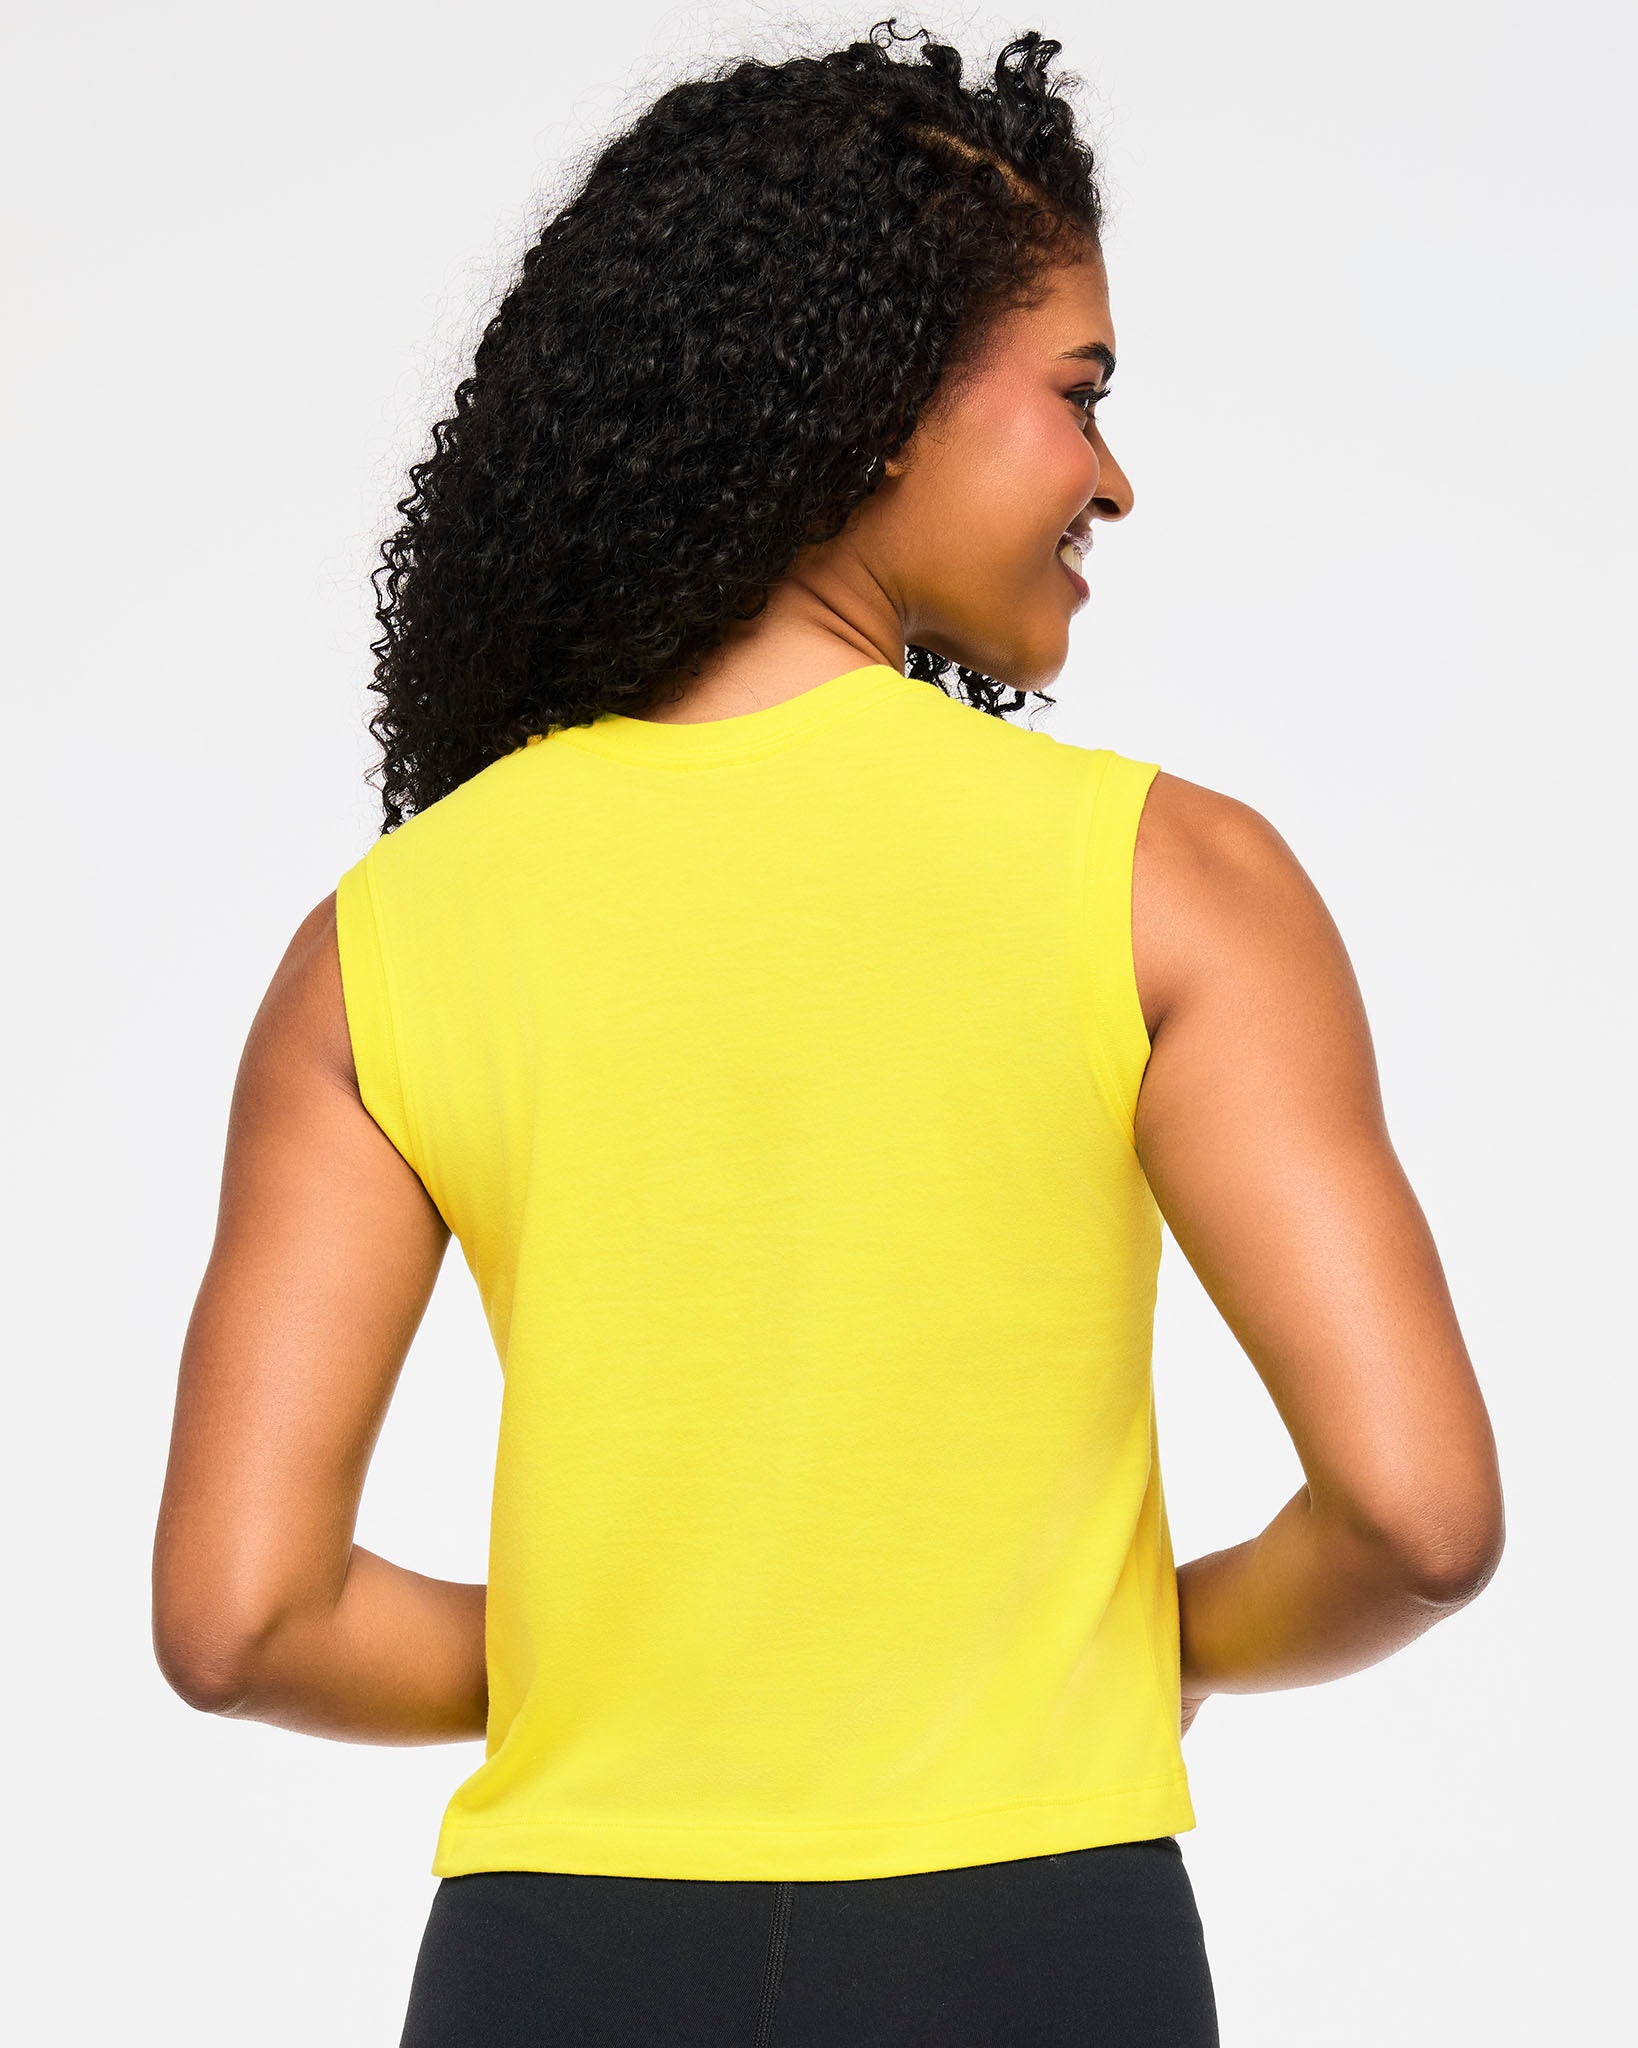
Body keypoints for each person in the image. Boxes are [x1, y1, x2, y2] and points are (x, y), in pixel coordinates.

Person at [151, 20, 1505, 2045]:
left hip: (558, 1963)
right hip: (1029, 1940)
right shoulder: (1169, 879)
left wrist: (661, 1658)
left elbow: (242, 1616)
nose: (1112, 478)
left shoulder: (378, 947)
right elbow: (1419, 1516)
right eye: (1080, 395)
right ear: (874, 403)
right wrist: (1136, 1642)